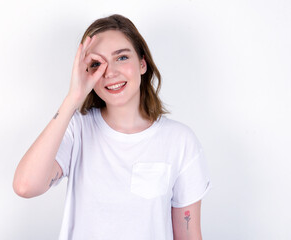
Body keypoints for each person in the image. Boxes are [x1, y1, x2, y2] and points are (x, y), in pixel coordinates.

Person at [13, 14, 211, 240]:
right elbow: (25, 186)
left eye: (122, 57)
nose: (110, 72)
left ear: (142, 63)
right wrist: (73, 99)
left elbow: (188, 235)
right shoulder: (77, 130)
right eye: (96, 64)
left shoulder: (180, 141)